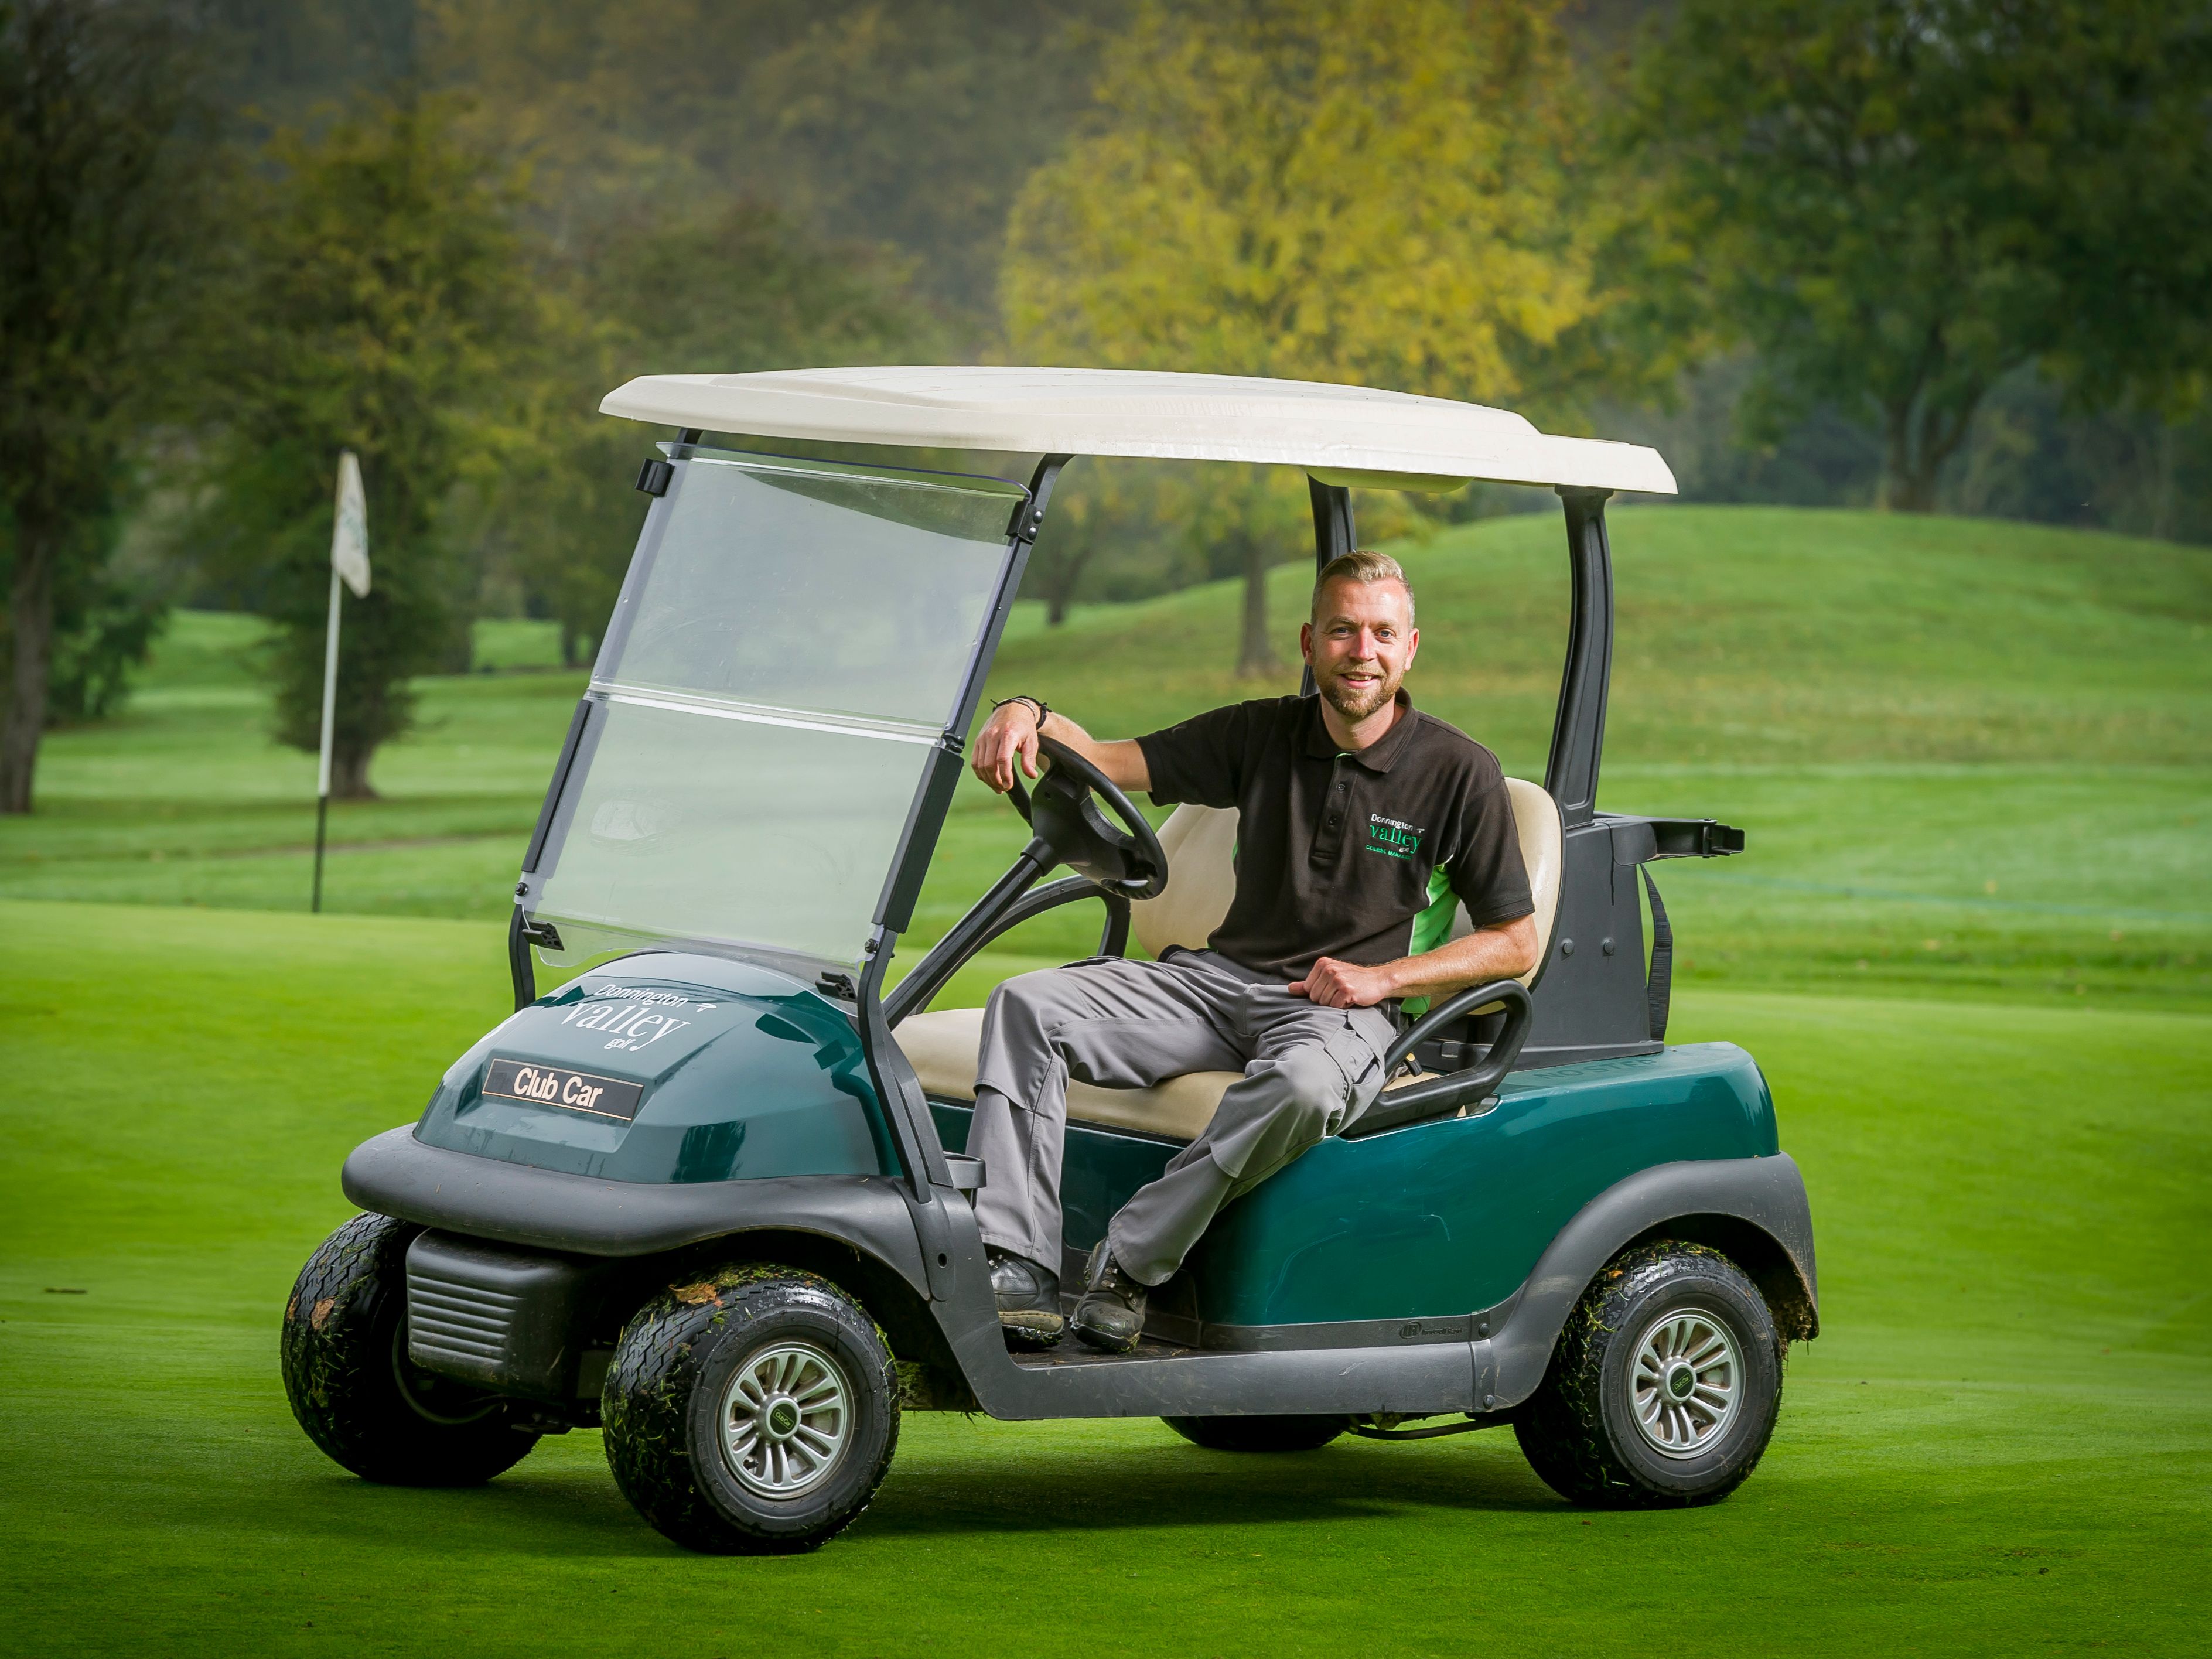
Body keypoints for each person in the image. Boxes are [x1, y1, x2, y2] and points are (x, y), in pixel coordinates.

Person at [965, 549, 1540, 1352]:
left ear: (1410, 649)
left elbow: (1517, 941)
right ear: (1310, 642)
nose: (1361, 651)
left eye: (1381, 633)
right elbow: (1104, 757)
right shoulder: (1260, 734)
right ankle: (1019, 1265)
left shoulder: (1458, 773)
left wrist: (1383, 978)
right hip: (1216, 987)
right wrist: (1023, 710)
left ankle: (1130, 1263)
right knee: (1028, 1006)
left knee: (1305, 1086)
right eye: (1342, 631)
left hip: (1337, 1014)